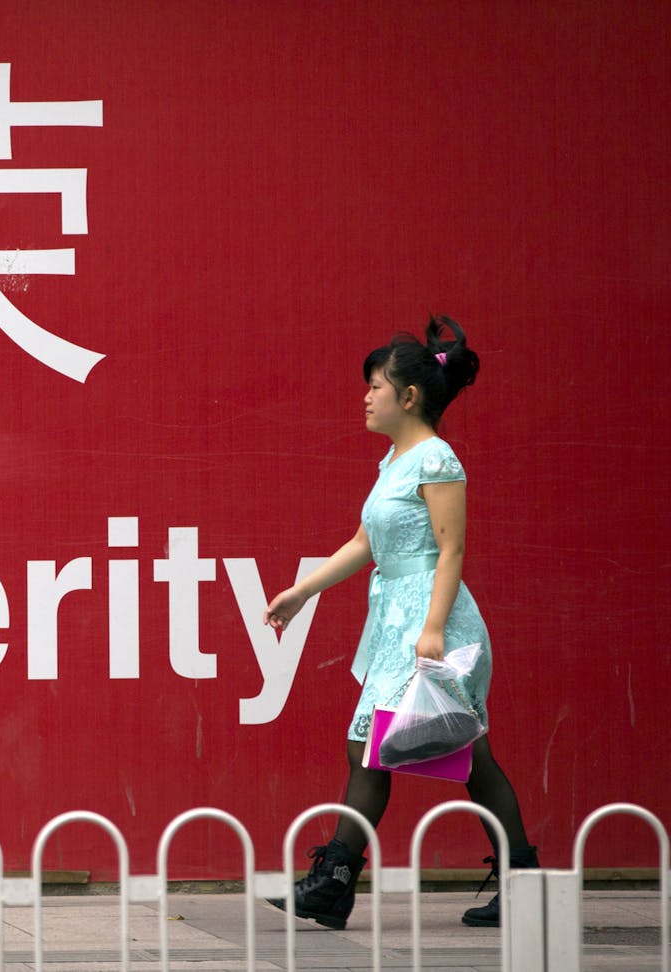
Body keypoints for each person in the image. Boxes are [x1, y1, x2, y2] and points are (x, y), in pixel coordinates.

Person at [262, 315, 536, 930]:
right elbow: (365, 543)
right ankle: (519, 882)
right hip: (396, 624)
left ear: (408, 397)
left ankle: (335, 882)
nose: (365, 396)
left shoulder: (437, 459)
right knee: (423, 751)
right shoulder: (395, 461)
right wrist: (303, 591)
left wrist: (434, 629)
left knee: (411, 750)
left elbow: (451, 550)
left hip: (432, 624)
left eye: (375, 385)